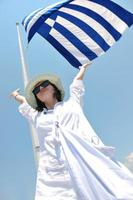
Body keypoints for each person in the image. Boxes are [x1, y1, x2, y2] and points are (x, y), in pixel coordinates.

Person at [11, 63, 133, 200]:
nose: (40, 89)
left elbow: (76, 86)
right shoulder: (37, 117)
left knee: (118, 193)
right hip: (53, 173)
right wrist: (16, 95)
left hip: (85, 162)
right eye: (36, 90)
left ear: (54, 88)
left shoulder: (72, 104)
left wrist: (82, 70)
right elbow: (24, 104)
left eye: (44, 84)